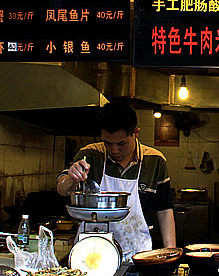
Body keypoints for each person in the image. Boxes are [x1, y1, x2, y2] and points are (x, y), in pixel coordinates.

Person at [57, 101, 176, 260]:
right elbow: (62, 189)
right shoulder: (91, 154)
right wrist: (71, 178)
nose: (114, 150)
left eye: (121, 143)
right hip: (91, 254)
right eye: (108, 143)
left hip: (138, 254)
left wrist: (171, 254)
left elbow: (165, 210)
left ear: (136, 133)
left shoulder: (155, 161)